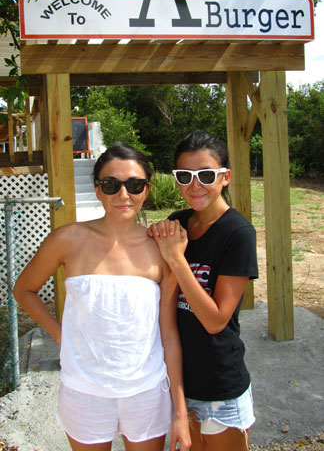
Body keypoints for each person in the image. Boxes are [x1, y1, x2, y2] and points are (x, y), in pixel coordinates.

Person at [14, 142, 191, 451]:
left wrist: (180, 411)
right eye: (111, 184)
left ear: (146, 190)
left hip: (146, 390)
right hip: (84, 391)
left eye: (134, 185)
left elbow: (169, 333)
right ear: (97, 190)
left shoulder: (161, 248)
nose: (123, 195)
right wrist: (61, 334)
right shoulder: (67, 239)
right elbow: (24, 290)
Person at [148, 131, 258, 451]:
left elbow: (215, 320)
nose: (195, 185)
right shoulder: (178, 223)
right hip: (179, 383)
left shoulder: (238, 233)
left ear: (225, 177)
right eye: (185, 175)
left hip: (219, 384)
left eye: (206, 175)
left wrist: (175, 258)